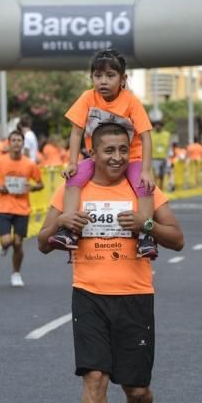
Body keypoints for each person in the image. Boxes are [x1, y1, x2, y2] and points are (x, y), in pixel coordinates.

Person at [38, 122, 184, 403]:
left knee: (137, 391)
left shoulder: (142, 188)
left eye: (123, 150)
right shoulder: (73, 189)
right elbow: (41, 241)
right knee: (95, 378)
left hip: (135, 297)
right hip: (88, 293)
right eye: (109, 151)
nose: (117, 157)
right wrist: (61, 222)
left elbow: (178, 239)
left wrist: (145, 223)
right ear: (93, 152)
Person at [48, 48, 157, 259]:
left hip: (130, 158)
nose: (103, 81)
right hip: (97, 158)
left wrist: (146, 170)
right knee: (73, 178)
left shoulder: (131, 101)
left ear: (123, 79)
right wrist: (72, 163)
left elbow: (146, 137)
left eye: (110, 75)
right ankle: (69, 230)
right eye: (98, 76)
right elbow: (76, 131)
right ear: (91, 78)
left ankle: (145, 237)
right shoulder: (88, 98)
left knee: (145, 186)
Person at [0, 130, 43, 287]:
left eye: (19, 140)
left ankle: (16, 273)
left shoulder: (29, 164)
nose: (16, 143)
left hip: (22, 208)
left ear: (23, 143)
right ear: (9, 143)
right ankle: (4, 245)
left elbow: (40, 184)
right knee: (6, 241)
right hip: (4, 207)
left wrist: (31, 187)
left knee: (18, 243)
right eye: (14, 140)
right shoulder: (0, 161)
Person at [151, 119, 171, 189]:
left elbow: (169, 146)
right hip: (154, 158)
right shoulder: (151, 134)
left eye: (159, 125)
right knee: (156, 174)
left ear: (162, 126)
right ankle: (155, 189)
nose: (158, 127)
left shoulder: (167, 134)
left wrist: (168, 157)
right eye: (156, 125)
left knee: (162, 175)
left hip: (164, 158)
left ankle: (161, 189)